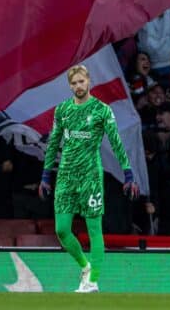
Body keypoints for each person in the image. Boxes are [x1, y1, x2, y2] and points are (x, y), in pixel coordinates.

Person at [37, 65, 138, 293]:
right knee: (62, 230)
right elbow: (53, 143)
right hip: (65, 177)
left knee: (94, 230)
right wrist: (45, 175)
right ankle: (85, 266)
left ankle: (93, 281)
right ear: (70, 85)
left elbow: (116, 142)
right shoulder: (62, 110)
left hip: (90, 177)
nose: (78, 86)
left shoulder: (102, 110)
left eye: (81, 81)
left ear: (88, 81)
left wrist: (128, 172)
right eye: (74, 83)